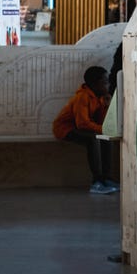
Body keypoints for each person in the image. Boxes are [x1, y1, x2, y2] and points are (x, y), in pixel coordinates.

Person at [52, 66, 117, 195]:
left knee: (105, 139)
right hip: (65, 129)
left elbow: (99, 122)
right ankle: (96, 182)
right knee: (92, 139)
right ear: (95, 84)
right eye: (105, 82)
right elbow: (82, 124)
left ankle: (106, 179)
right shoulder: (83, 97)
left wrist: (105, 106)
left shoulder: (99, 98)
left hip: (80, 128)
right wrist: (103, 129)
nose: (108, 85)